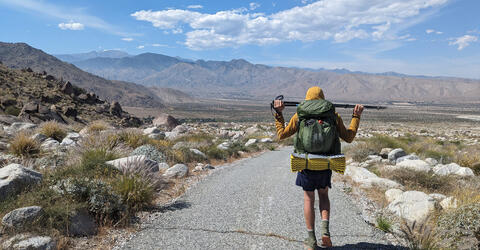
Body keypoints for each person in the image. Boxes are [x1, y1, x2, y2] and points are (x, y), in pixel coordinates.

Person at [273, 86, 363, 249]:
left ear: (307, 98)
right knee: (323, 196)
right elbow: (349, 137)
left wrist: (278, 114)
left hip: (305, 164)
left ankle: (311, 239)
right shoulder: (333, 115)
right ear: (322, 98)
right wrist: (356, 116)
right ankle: (325, 232)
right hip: (325, 163)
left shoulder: (299, 115)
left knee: (308, 199)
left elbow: (282, 134)